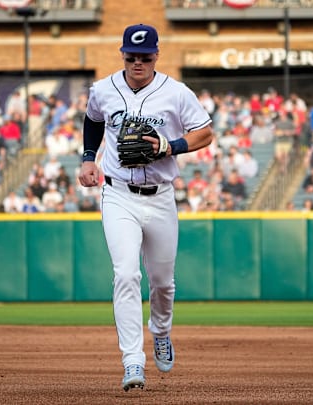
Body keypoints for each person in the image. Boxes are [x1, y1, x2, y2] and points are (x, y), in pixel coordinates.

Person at [77, 23, 213, 392]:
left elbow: (205, 132)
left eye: (145, 57)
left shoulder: (176, 92)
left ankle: (162, 331)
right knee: (125, 275)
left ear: (156, 55)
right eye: (131, 56)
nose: (138, 62)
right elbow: (93, 119)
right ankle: (132, 360)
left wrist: (169, 147)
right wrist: (89, 158)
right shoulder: (103, 89)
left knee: (163, 284)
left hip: (161, 196)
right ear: (123, 55)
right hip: (118, 192)